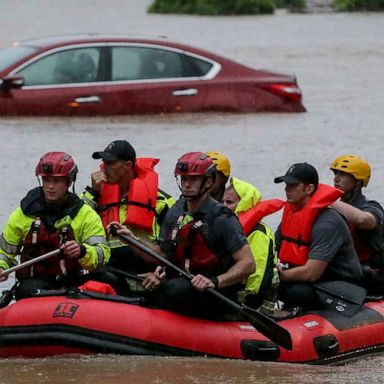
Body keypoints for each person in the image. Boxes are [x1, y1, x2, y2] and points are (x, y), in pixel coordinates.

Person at [111, 152, 255, 319]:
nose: (187, 184)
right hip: (181, 288)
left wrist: (215, 281)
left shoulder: (223, 219)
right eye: (183, 179)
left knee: (174, 289)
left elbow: (248, 263)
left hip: (214, 293)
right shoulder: (176, 211)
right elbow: (162, 254)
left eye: (193, 179)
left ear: (208, 181)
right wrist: (131, 240)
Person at [0, 152, 110, 299]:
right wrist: (2, 266)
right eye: (46, 180)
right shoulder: (23, 214)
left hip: (72, 283)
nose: (50, 187)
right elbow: (5, 252)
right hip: (34, 285)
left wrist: (82, 250)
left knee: (108, 279)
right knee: (28, 289)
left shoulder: (84, 214)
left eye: (57, 181)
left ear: (69, 182)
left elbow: (102, 253)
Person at [81, 140, 174, 293]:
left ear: (128, 165)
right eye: (103, 163)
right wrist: (93, 192)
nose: (104, 168)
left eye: (111, 163)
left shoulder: (162, 202)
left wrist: (160, 273)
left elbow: (173, 249)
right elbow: (76, 223)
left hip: (144, 278)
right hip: (109, 275)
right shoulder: (93, 197)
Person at [274, 162, 363, 312]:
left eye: (293, 185)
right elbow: (274, 250)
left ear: (309, 189)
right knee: (270, 286)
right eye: (286, 184)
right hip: (310, 280)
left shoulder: (328, 223)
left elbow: (311, 273)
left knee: (295, 291)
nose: (286, 189)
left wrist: (278, 276)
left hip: (340, 286)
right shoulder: (291, 216)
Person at [222, 177, 279, 311]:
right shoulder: (227, 227)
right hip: (233, 286)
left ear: (244, 204)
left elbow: (257, 275)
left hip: (257, 298)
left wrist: (243, 300)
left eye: (229, 202)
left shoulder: (259, 232)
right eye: (222, 201)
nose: (224, 206)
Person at [330, 154, 384, 294]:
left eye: (343, 174)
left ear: (358, 182)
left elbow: (364, 221)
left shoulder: (372, 207)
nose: (336, 178)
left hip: (370, 277)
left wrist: (327, 200)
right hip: (342, 273)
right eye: (336, 173)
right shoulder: (333, 209)